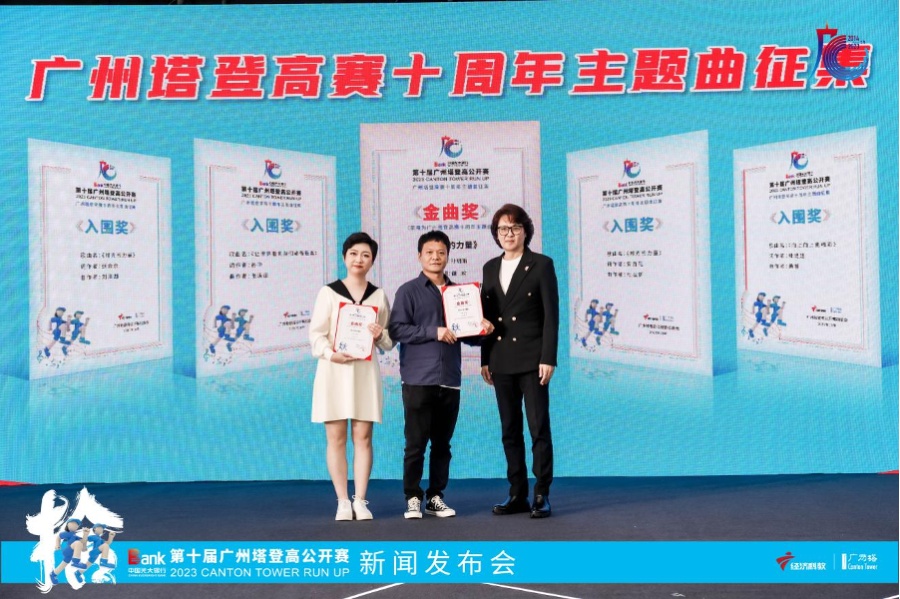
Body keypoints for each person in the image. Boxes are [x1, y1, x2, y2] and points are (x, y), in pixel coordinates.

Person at [389, 230, 494, 520]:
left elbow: (468, 336)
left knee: (442, 445)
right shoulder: (408, 291)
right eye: (430, 252)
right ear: (419, 256)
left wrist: (483, 330)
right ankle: (412, 497)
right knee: (415, 444)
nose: (435, 257)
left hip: (449, 379)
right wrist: (433, 332)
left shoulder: (460, 294)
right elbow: (397, 329)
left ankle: (435, 497)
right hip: (418, 379)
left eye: (441, 252)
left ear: (448, 256)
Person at [480, 204, 559, 518]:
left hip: (532, 359)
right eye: (502, 229)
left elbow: (551, 316)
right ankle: (517, 493)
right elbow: (486, 317)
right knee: (509, 429)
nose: (508, 234)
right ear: (496, 234)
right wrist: (485, 358)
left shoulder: (541, 264)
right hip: (500, 359)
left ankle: (541, 493)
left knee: (538, 428)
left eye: (514, 227)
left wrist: (548, 357)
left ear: (526, 231)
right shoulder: (489, 267)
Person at [310, 232, 394, 521]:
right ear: (344, 257)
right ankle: (342, 501)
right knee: (336, 439)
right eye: (354, 253)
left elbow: (388, 342)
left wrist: (379, 335)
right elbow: (316, 335)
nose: (359, 259)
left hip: (364, 373)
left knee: (363, 437)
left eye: (366, 255)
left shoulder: (378, 295)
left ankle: (360, 500)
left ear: (372, 261)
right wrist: (330, 353)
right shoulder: (328, 292)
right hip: (334, 371)